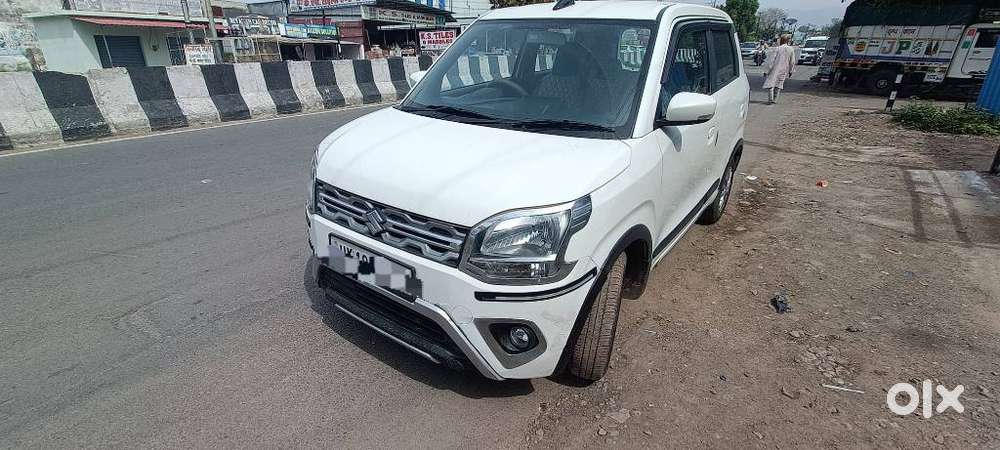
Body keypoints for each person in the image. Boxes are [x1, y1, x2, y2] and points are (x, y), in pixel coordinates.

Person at [763, 34, 795, 104]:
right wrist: (791, 71)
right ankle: (775, 100)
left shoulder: (777, 49)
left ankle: (770, 99)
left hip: (775, 69)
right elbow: (792, 62)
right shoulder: (791, 49)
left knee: (770, 84)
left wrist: (766, 71)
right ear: (787, 41)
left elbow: (771, 61)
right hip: (784, 70)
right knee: (779, 84)